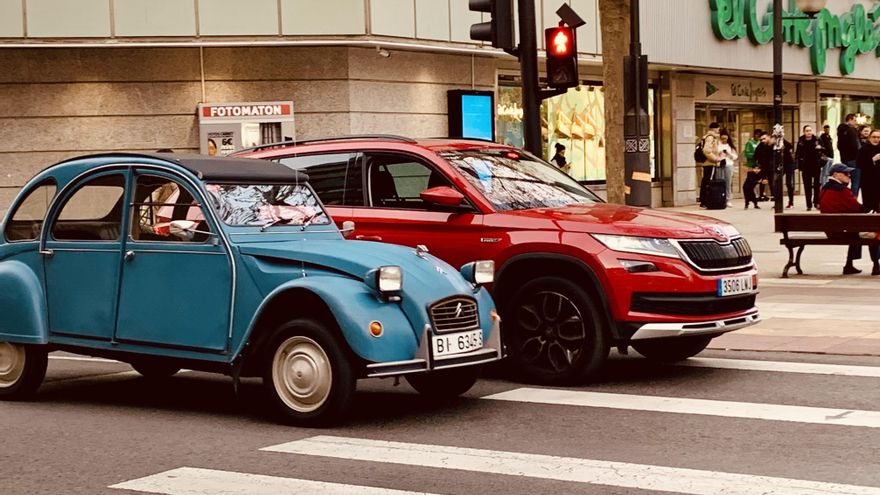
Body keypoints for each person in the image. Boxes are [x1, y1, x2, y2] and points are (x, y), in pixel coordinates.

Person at [819, 163, 879, 275]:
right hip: (842, 232)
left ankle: (849, 265)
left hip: (831, 231)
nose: (849, 176)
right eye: (846, 173)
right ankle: (876, 265)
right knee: (874, 233)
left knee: (855, 230)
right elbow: (858, 208)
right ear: (836, 175)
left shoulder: (824, 190)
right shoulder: (842, 191)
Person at [796, 125, 823, 211]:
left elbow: (825, 149)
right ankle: (808, 204)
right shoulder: (801, 141)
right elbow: (798, 154)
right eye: (807, 131)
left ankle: (816, 202)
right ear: (804, 132)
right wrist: (798, 166)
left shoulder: (817, 140)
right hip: (805, 166)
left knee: (816, 185)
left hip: (816, 165)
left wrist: (820, 148)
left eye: (810, 130)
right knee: (807, 186)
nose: (809, 132)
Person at [698, 122, 722, 208]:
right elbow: (706, 151)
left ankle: (704, 200)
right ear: (715, 128)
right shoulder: (711, 138)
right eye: (718, 128)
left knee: (706, 181)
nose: (719, 130)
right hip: (710, 163)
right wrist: (715, 159)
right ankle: (705, 200)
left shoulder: (708, 137)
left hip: (708, 163)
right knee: (709, 182)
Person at [857, 129, 880, 213]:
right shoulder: (864, 149)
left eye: (878, 137)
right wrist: (872, 160)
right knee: (869, 206)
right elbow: (859, 164)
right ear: (869, 138)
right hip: (868, 181)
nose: (876, 139)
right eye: (874, 137)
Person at [837, 113, 861, 195]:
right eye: (854, 120)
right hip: (854, 159)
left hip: (844, 159)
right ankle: (853, 200)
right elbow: (855, 146)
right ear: (850, 120)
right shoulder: (851, 130)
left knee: (845, 180)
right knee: (855, 181)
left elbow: (839, 146)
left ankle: (844, 199)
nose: (855, 122)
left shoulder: (840, 130)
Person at [717, 128, 738, 207]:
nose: (724, 140)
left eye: (725, 138)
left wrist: (729, 154)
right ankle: (720, 198)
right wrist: (719, 153)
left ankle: (728, 199)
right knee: (720, 182)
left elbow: (735, 157)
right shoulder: (718, 145)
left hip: (729, 164)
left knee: (728, 183)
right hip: (720, 164)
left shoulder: (730, 146)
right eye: (722, 138)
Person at [754, 132, 775, 201]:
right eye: (761, 139)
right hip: (763, 165)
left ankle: (773, 195)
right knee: (762, 180)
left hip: (771, 166)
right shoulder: (761, 145)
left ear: (768, 137)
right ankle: (761, 195)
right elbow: (756, 154)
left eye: (764, 138)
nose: (763, 140)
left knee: (771, 181)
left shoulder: (772, 145)